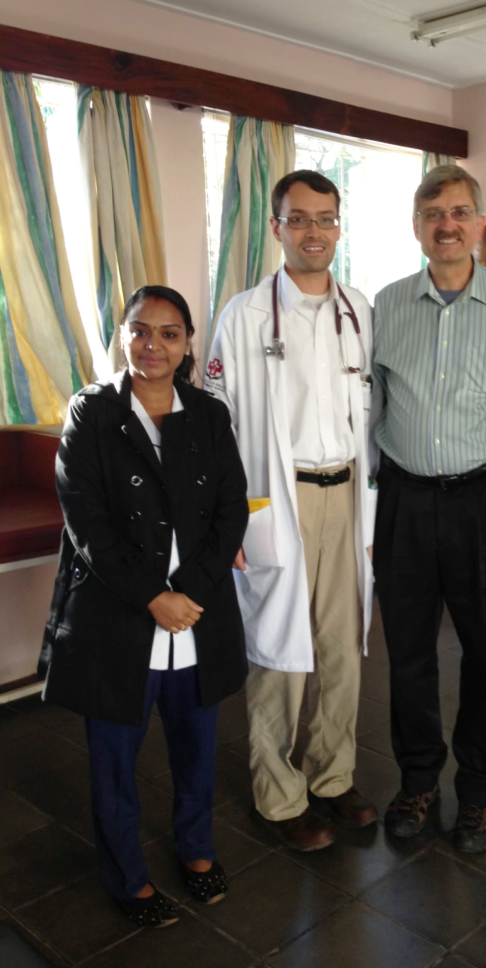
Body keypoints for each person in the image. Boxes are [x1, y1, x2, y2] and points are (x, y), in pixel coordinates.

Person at [39, 286, 249, 927]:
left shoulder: (208, 414)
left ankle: (197, 850)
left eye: (168, 333)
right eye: (139, 330)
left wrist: (193, 594)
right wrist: (154, 596)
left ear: (187, 344)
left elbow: (231, 510)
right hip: (120, 618)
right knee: (114, 764)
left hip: (195, 616)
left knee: (197, 751)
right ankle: (127, 879)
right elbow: (86, 522)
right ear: (122, 336)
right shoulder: (91, 412)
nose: (152, 345)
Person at [372, 165, 486, 853]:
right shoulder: (385, 306)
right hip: (405, 502)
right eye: (432, 213)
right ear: (416, 227)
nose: (446, 224)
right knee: (408, 654)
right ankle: (418, 780)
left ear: (479, 223)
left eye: (459, 212)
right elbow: (370, 412)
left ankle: (478, 792)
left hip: (485, 501)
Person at [206, 170, 378, 852]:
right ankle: (278, 794)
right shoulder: (244, 315)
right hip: (276, 500)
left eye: (325, 218)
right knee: (279, 654)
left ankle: (333, 777)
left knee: (343, 649)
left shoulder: (359, 308)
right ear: (276, 227)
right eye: (299, 218)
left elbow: (371, 410)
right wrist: (228, 520)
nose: (314, 231)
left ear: (339, 226)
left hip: (348, 496)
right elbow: (216, 427)